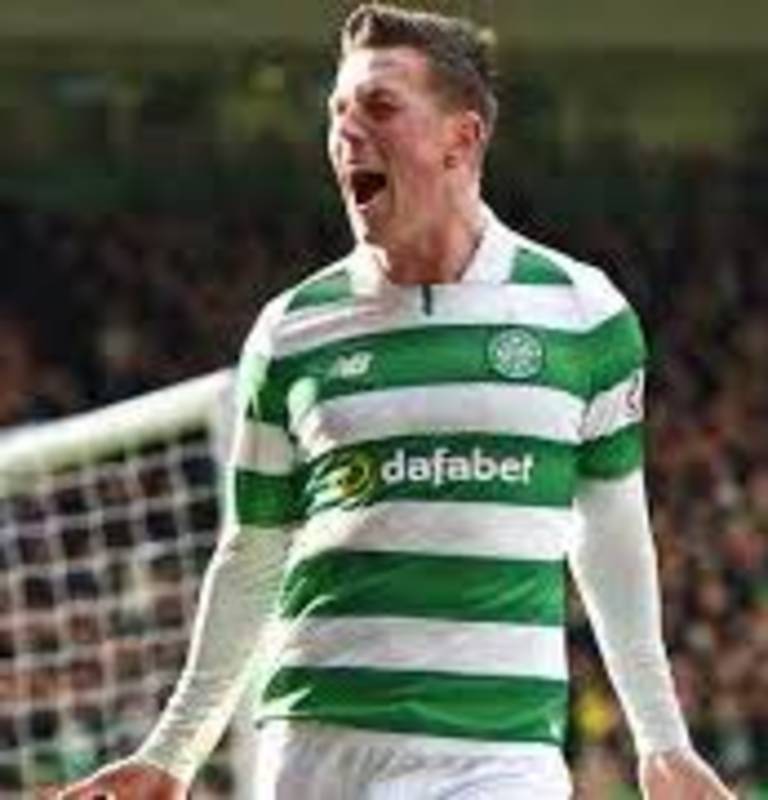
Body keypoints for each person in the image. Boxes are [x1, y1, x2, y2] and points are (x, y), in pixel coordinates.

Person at [57, 5, 734, 798]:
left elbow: (612, 531)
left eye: (379, 107)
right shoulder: (291, 328)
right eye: (337, 111)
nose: (347, 132)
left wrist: (660, 738)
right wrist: (174, 750)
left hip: (496, 754)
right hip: (315, 750)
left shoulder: (585, 316)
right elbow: (255, 550)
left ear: (462, 138)